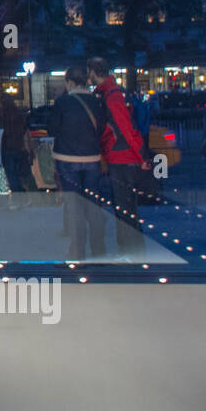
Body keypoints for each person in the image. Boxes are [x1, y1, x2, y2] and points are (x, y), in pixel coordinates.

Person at [87, 58, 150, 260]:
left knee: (124, 208)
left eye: (89, 72)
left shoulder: (111, 97)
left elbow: (123, 128)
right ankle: (133, 250)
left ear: (94, 72)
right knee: (126, 207)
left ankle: (131, 251)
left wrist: (140, 156)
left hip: (121, 157)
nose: (88, 76)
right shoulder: (112, 93)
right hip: (123, 156)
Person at [50, 67, 108, 260]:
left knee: (74, 205)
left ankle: (78, 251)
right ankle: (99, 249)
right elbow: (101, 128)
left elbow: (53, 128)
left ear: (70, 83)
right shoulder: (96, 102)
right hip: (92, 158)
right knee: (93, 205)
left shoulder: (62, 103)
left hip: (67, 159)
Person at [0, 93, 33, 208]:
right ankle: (23, 197)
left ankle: (18, 199)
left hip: (8, 148)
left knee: (12, 176)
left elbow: (2, 131)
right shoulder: (18, 115)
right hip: (19, 147)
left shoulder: (2, 115)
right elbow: (24, 131)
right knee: (18, 175)